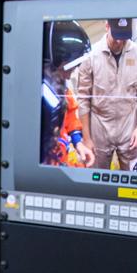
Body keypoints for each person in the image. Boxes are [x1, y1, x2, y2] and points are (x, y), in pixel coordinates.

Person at [74, 18, 137, 171]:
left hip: (128, 126)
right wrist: (87, 138)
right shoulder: (90, 57)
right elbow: (83, 100)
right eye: (117, 36)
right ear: (107, 26)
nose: (120, 42)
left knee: (132, 180)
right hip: (100, 128)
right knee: (97, 180)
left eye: (124, 37)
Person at [41, 20, 94, 167]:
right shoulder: (35, 100)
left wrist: (78, 143)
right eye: (69, 68)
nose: (70, 76)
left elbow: (70, 114)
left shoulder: (61, 90)